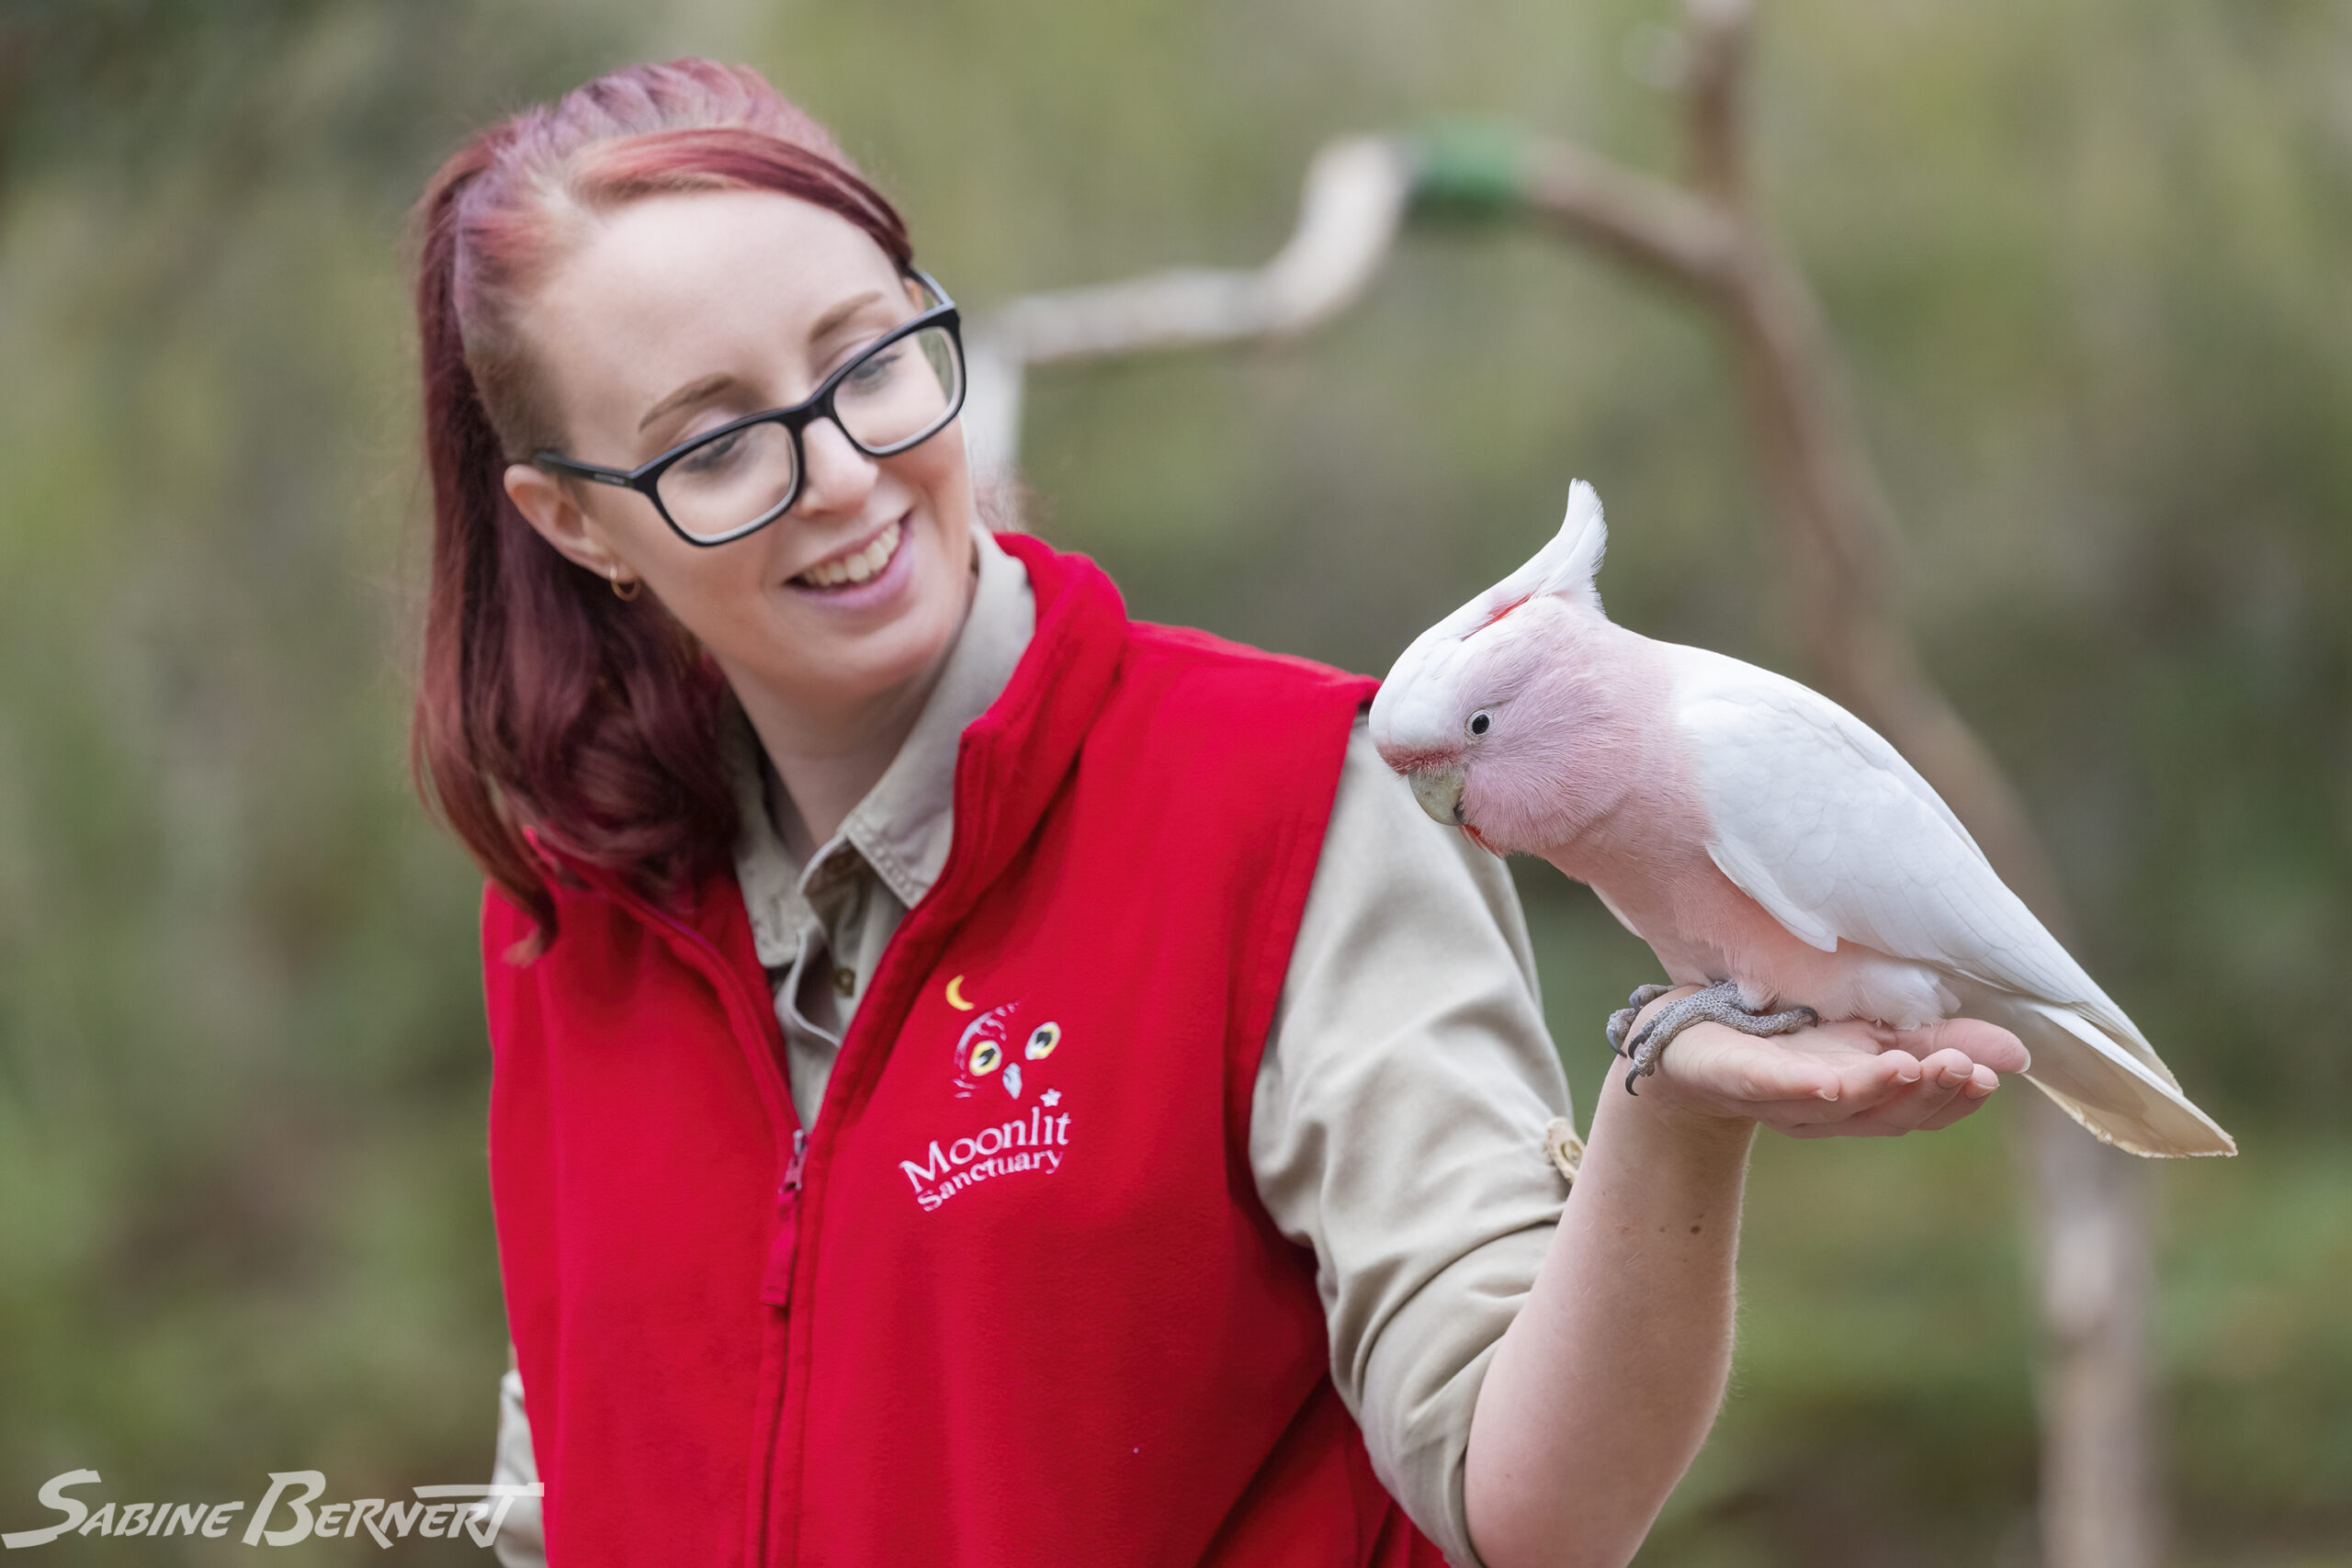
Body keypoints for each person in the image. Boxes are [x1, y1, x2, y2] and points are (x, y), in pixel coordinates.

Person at [409, 60, 2029, 1568]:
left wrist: (1671, 1100)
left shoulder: (1287, 803)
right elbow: (566, 1492)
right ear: (574, 524)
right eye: (713, 443)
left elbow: (1528, 1504)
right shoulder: (569, 911)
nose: (839, 471)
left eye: (866, 361)